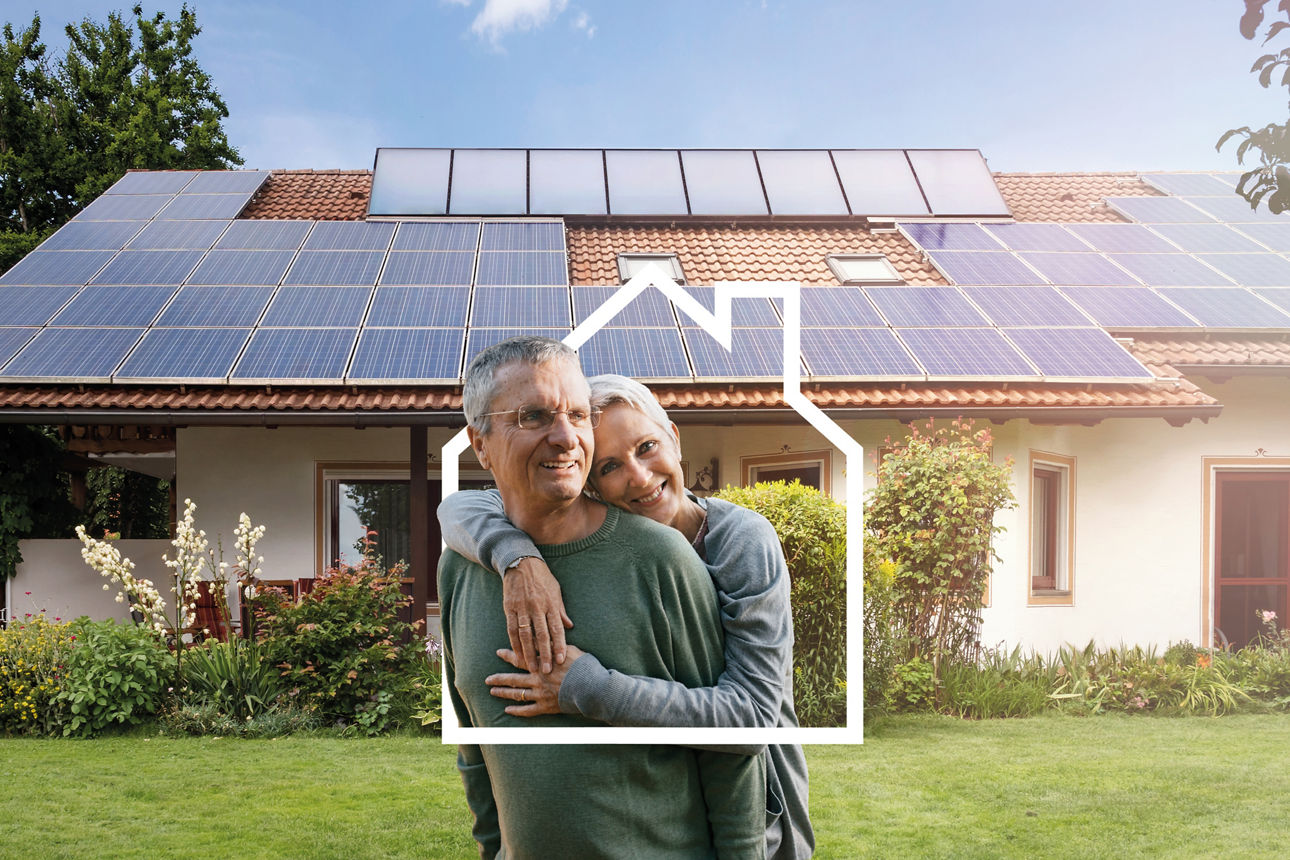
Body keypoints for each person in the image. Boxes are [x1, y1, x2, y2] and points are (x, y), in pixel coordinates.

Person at [440, 373, 815, 860]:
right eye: (611, 465)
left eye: (647, 446)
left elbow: (752, 718)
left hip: (766, 809)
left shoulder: (740, 541)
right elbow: (457, 508)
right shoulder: (613, 546)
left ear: (675, 439)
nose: (638, 477)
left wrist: (587, 688)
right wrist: (518, 558)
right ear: (589, 484)